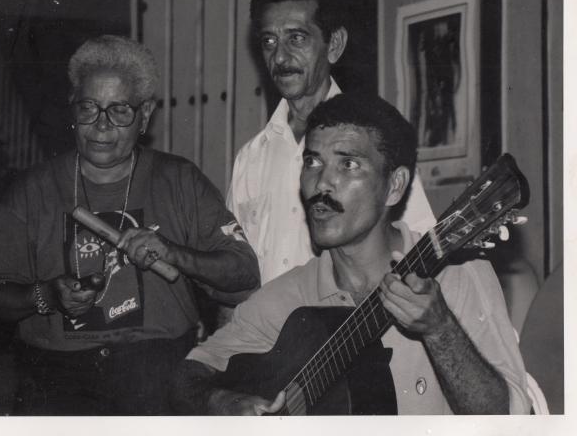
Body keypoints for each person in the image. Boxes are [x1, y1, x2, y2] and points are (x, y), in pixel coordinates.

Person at [170, 93, 530, 415]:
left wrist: (441, 330)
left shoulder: (457, 275)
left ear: (395, 186)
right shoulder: (284, 299)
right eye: (312, 162)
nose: (322, 183)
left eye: (348, 164)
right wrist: (220, 401)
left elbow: (508, 418)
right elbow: (186, 378)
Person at [0, 35, 260, 415]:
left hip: (156, 376)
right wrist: (45, 296)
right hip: (54, 383)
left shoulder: (179, 180)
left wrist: (174, 253)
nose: (102, 125)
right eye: (89, 107)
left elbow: (243, 273)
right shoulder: (32, 190)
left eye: (120, 110)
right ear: (72, 109)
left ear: (146, 115)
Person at [227, 0, 436, 285]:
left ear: (334, 44)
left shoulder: (377, 142)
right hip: (265, 330)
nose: (280, 58)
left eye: (296, 38)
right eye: (269, 42)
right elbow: (235, 270)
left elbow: (421, 250)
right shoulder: (251, 157)